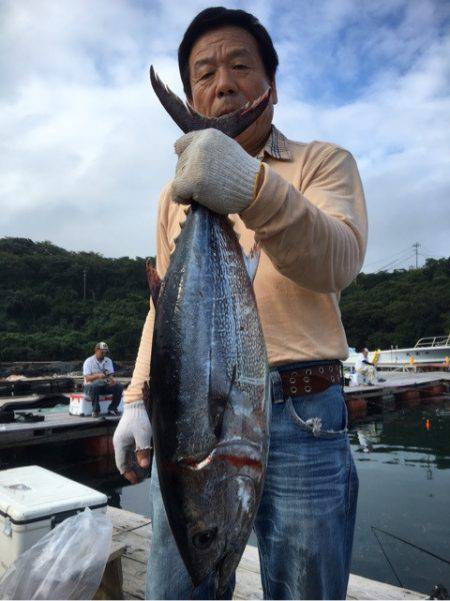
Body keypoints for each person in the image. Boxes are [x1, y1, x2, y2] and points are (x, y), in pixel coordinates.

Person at [113, 7, 367, 600]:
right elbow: (167, 308)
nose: (222, 82)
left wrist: (249, 187)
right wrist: (134, 397)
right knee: (185, 587)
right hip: (191, 418)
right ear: (193, 96)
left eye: (239, 66)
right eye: (204, 73)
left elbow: (339, 260)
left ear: (270, 87)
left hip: (304, 418)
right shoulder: (175, 194)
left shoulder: (322, 163)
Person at [83, 341, 123, 417]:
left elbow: (110, 375)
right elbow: (87, 378)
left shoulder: (108, 361)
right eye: (102, 352)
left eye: (105, 352)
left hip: (104, 385)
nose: (104, 354)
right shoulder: (88, 361)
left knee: (119, 386)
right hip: (89, 387)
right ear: (96, 350)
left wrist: (112, 381)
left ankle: (112, 408)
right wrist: (98, 376)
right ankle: (95, 410)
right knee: (95, 384)